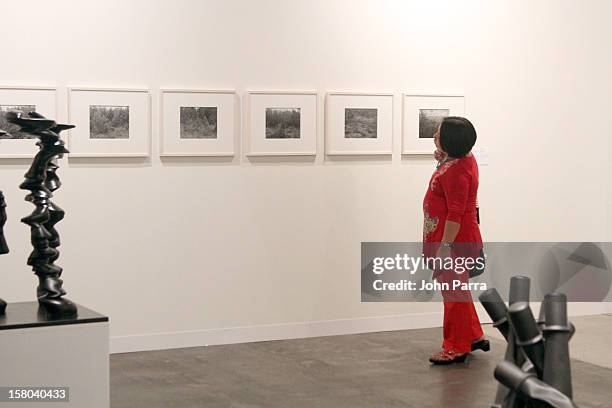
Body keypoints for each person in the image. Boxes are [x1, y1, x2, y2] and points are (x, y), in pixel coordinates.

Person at [422, 117, 489, 364]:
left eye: (438, 134)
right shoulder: (462, 159)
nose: (434, 137)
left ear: (451, 141)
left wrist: (445, 247)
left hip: (455, 242)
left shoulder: (458, 171)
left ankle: (456, 346)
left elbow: (456, 212)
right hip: (451, 239)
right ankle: (472, 334)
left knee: (453, 296)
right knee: (458, 291)